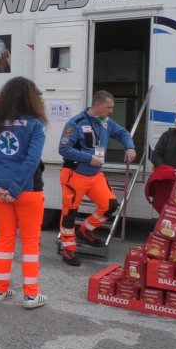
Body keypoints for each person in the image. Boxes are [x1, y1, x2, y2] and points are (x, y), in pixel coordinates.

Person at [0, 76, 47, 309]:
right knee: (30, 242)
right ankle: (31, 295)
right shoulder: (36, 125)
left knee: (5, 239)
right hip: (28, 191)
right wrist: (15, 189)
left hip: (0, 191)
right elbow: (31, 161)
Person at [58, 90, 136, 266]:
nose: (111, 111)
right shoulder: (75, 123)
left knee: (110, 206)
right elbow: (63, 150)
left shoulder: (105, 122)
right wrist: (88, 158)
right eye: (109, 107)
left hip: (94, 175)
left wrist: (129, 147)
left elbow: (123, 133)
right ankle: (69, 249)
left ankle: (85, 231)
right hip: (74, 174)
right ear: (98, 105)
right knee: (70, 214)